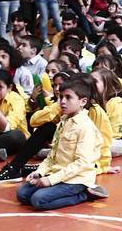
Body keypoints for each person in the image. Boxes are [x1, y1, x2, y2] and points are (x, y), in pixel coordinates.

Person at [17, 77, 102, 211]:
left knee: (38, 200)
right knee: (22, 195)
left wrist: (50, 180)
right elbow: (53, 155)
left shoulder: (85, 127)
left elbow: (82, 163)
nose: (62, 101)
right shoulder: (63, 121)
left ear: (83, 102)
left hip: (76, 179)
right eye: (61, 97)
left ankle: (84, 194)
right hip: (58, 173)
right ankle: (56, 187)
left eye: (68, 97)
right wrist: (40, 172)